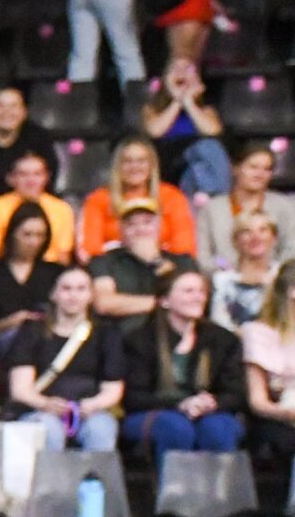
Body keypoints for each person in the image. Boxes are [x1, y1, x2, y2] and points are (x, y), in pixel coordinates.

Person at [123, 269, 247, 461]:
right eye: (188, 291)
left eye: (201, 292)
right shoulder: (140, 340)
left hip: (211, 412)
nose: (198, 297)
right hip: (156, 412)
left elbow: (236, 393)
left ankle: (219, 490)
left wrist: (212, 403)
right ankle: (174, 489)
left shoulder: (223, 339)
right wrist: (180, 404)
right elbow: (134, 398)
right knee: (175, 427)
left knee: (217, 428)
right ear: (164, 300)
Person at [5, 266, 127, 451]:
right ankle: (50, 480)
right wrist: (45, 404)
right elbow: (20, 389)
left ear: (91, 295)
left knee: (101, 429)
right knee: (49, 430)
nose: (73, 296)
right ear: (54, 293)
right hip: (39, 410)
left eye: (81, 289)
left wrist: (93, 405)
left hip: (89, 411)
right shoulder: (32, 330)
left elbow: (113, 388)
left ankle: (93, 479)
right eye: (66, 289)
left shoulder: (106, 333)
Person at [76, 135, 197, 259]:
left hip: (162, 267)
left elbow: (185, 248)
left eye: (141, 161)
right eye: (127, 161)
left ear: (151, 166)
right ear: (117, 166)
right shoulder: (98, 199)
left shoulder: (172, 196)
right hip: (113, 269)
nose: (135, 167)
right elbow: (89, 249)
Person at [91, 197, 193, 331]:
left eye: (147, 222)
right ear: (121, 230)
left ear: (159, 226)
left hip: (172, 334)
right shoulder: (104, 261)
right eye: (131, 224)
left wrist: (156, 260)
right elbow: (104, 303)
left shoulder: (182, 261)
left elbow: (189, 299)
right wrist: (164, 303)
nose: (140, 229)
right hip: (122, 337)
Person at [194, 141, 295, 269]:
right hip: (221, 283)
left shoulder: (284, 206)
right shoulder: (212, 209)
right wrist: (226, 278)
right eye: (253, 167)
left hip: (275, 282)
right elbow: (203, 256)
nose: (260, 174)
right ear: (235, 168)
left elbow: (291, 250)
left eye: (267, 169)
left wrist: (275, 276)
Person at [140, 56, 231, 195]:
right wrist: (177, 100)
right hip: (169, 162)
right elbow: (155, 132)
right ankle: (218, 202)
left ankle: (205, 201)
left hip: (193, 170)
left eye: (188, 69)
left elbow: (212, 132)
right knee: (205, 149)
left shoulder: (206, 110)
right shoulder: (152, 109)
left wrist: (189, 102)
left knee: (200, 165)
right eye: (175, 68)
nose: (181, 73)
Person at [0, 150, 78, 265]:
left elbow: (63, 258)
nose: (31, 181)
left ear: (46, 178)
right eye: (23, 174)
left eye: (37, 174)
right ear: (10, 179)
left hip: (49, 272)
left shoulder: (62, 209)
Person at [0, 201, 59, 342]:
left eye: (40, 235)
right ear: (12, 234)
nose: (34, 242)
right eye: (27, 234)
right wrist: (6, 324)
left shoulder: (55, 273)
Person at [239, 261, 295, 464]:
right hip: (277, 415)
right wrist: (287, 413)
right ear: (292, 292)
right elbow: (258, 402)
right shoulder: (258, 332)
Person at [211, 210, 279, 328]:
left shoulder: (285, 274)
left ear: (273, 238)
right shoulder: (223, 280)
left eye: (263, 230)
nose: (256, 237)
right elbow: (219, 325)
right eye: (247, 231)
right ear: (236, 240)